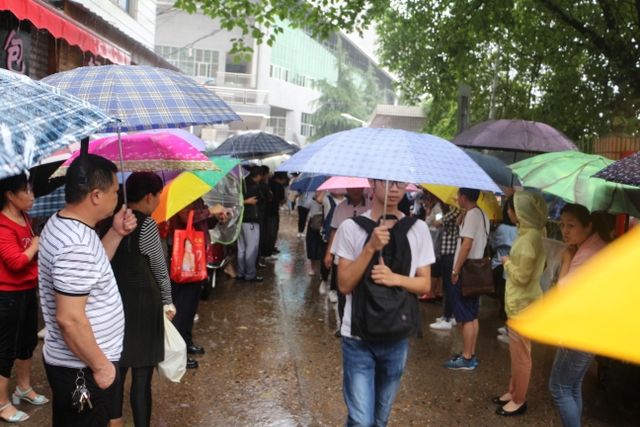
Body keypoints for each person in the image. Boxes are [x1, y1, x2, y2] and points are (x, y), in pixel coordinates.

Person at [38, 154, 136, 427]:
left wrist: (116, 232)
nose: (118, 197)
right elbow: (69, 319)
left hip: (81, 363)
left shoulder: (66, 223)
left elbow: (90, 271)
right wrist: (101, 367)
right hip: (83, 368)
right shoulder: (75, 244)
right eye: (115, 191)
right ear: (96, 195)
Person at [332, 179, 432, 426]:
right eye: (388, 182)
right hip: (357, 338)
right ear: (372, 182)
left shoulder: (418, 229)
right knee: (361, 421)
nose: (395, 189)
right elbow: (344, 285)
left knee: (379, 419)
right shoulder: (350, 227)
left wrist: (394, 278)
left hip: (396, 335)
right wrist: (370, 248)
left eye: (400, 182)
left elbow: (424, 284)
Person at [101, 172, 175, 427]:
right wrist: (168, 300)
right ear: (149, 196)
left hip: (114, 304)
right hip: (144, 304)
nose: (158, 201)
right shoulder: (146, 225)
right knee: (142, 375)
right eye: (159, 196)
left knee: (117, 369)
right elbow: (160, 269)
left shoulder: (108, 222)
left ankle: (114, 421)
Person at [549, 204, 613, 427]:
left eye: (571, 225)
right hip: (594, 328)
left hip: (580, 330)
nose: (564, 230)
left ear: (588, 227)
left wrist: (567, 260)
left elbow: (564, 291)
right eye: (562, 224)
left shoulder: (588, 254)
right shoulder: (597, 245)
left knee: (559, 387)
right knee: (572, 385)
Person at [493, 191, 547, 416]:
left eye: (511, 208)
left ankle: (519, 399)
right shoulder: (537, 232)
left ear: (522, 212)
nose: (508, 211)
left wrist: (506, 262)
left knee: (521, 355)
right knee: (517, 353)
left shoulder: (527, 239)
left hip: (522, 304)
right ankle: (512, 390)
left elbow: (522, 276)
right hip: (525, 301)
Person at [0, 173, 48, 423]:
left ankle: (23, 388)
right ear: (10, 195)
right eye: (27, 191)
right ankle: (1, 403)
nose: (32, 196)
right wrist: (35, 245)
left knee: (27, 342)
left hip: (28, 289)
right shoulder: (2, 224)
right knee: (5, 348)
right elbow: (16, 262)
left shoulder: (26, 218)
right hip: (8, 295)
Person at [169, 198, 227, 369]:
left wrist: (216, 217)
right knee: (182, 304)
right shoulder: (183, 194)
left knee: (192, 303)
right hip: (184, 255)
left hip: (197, 255)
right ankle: (178, 352)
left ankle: (186, 341)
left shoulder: (197, 197)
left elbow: (204, 223)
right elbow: (186, 217)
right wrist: (210, 211)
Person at [443, 188, 489, 370]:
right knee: (472, 314)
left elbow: (467, 245)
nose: (456, 199)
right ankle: (470, 352)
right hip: (476, 271)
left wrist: (455, 270)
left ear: (464, 197)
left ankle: (466, 357)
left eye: (458, 196)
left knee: (466, 316)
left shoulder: (471, 215)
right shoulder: (482, 214)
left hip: (466, 271)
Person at [324, 187, 371, 332]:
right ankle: (344, 325)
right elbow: (334, 231)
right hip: (343, 256)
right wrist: (329, 253)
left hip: (365, 256)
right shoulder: (340, 208)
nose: (355, 191)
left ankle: (364, 323)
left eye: (358, 188)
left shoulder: (373, 206)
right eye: (352, 188)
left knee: (365, 290)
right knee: (342, 292)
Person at [429, 203, 462, 330]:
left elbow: (454, 213)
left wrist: (440, 220)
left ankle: (447, 318)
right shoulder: (443, 207)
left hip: (449, 251)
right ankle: (450, 315)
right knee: (447, 286)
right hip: (444, 251)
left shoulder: (455, 207)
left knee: (448, 286)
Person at [491, 200, 518, 341]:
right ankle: (508, 327)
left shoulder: (502, 228)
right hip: (513, 267)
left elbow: (494, 245)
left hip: (501, 265)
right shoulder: (521, 230)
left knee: (505, 299)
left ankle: (509, 330)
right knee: (510, 298)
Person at [237, 166, 264, 282]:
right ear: (258, 176)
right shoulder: (254, 186)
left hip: (240, 220)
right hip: (251, 221)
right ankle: (250, 274)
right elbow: (261, 199)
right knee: (251, 249)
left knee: (241, 248)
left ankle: (240, 273)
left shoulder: (240, 184)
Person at [265, 172, 288, 259]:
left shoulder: (267, 183)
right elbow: (282, 201)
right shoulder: (279, 187)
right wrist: (285, 199)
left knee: (266, 232)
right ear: (283, 179)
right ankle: (268, 252)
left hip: (264, 212)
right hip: (273, 212)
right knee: (272, 233)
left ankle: (267, 250)